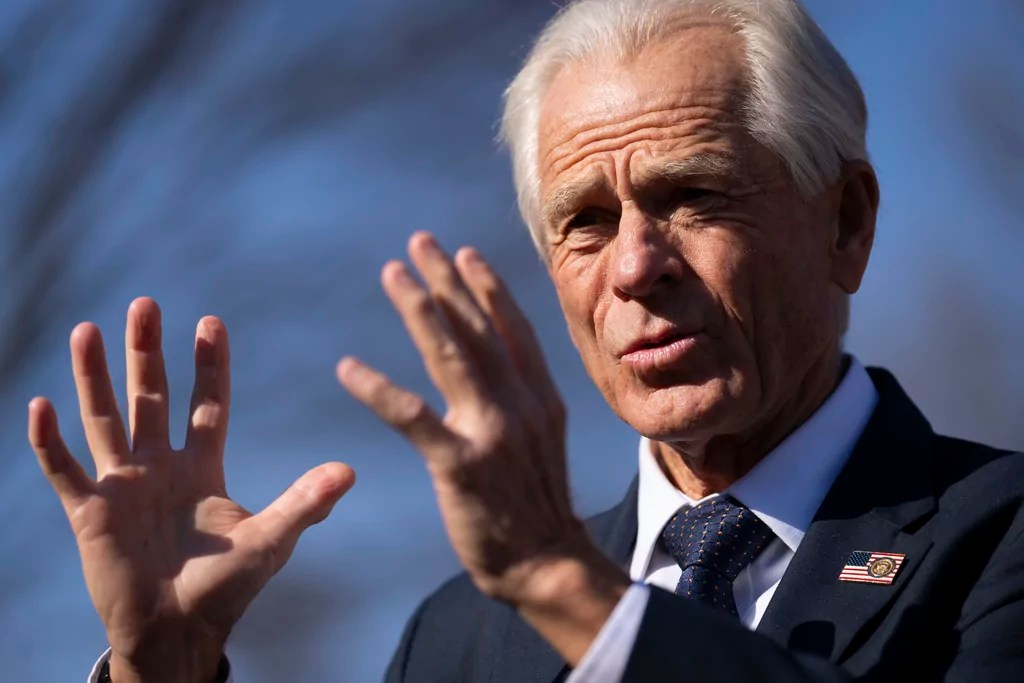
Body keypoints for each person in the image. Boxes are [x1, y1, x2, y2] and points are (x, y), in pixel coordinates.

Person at [27, 0, 1023, 681]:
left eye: (694, 194)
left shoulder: (998, 541)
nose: (635, 266)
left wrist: (570, 590)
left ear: (844, 221)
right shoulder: (464, 633)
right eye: (584, 220)